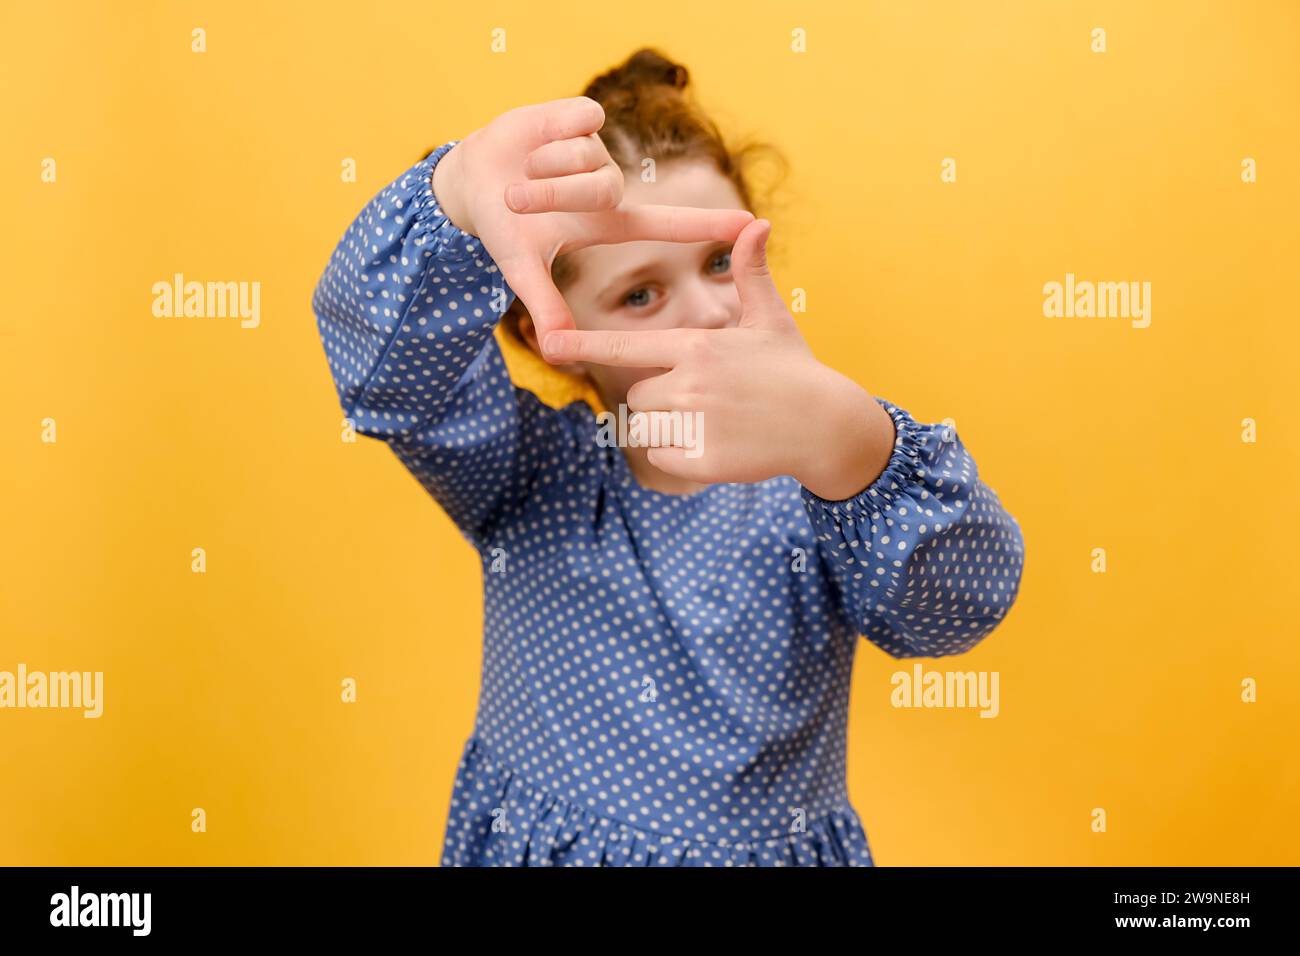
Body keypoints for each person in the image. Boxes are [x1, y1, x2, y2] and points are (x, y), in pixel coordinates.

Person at [311, 47, 1025, 866]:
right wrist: (459, 194)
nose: (707, 313)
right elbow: (382, 381)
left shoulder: (824, 498)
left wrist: (853, 440)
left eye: (721, 262)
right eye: (640, 294)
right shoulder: (530, 474)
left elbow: (957, 607)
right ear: (550, 328)